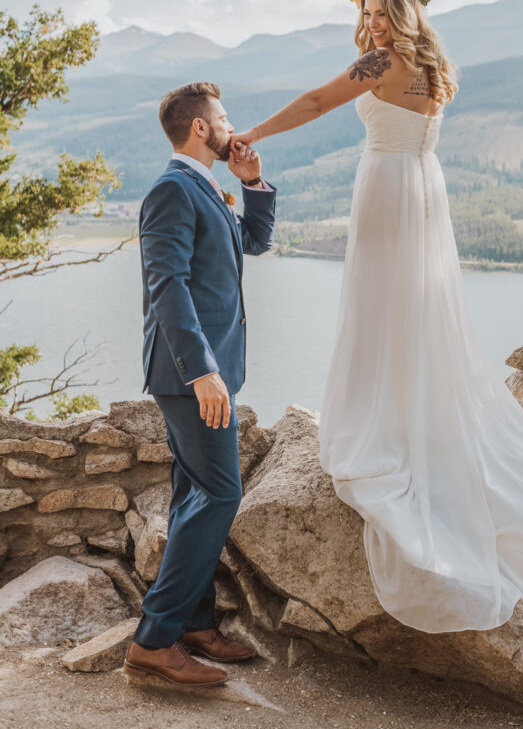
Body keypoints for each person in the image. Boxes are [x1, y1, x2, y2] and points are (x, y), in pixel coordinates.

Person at [230, 0, 523, 634]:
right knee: (413, 312)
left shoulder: (379, 64)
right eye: (365, 12)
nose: (369, 24)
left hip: (389, 190)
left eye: (379, 12)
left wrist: (251, 135)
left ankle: (382, 428)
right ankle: (408, 417)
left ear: (400, 14)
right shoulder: (434, 66)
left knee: (379, 309)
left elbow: (316, 102)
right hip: (421, 192)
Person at [124, 82, 276, 686]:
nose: (231, 125)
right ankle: (154, 642)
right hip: (191, 375)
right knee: (219, 493)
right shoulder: (171, 190)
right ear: (199, 129)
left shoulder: (205, 186)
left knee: (195, 495)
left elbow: (253, 244)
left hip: (209, 372)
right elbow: (168, 287)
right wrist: (203, 371)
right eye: (223, 117)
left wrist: (253, 185)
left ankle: (193, 621)